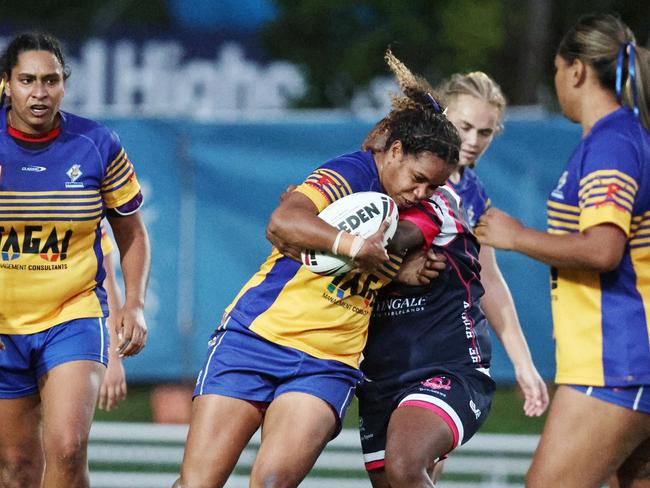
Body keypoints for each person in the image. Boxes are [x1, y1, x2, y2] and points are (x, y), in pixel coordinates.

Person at [174, 50, 461, 488]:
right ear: (396, 150)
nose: (421, 191)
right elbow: (283, 222)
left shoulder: (428, 209)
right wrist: (352, 246)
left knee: (271, 482)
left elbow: (381, 250)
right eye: (418, 177)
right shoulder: (350, 173)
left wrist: (388, 269)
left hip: (327, 360)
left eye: (434, 185)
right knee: (197, 483)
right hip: (255, 337)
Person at [476, 13, 650, 488]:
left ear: (575, 71)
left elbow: (603, 250)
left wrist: (515, 237)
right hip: (625, 358)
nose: (556, 82)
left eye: (555, 70)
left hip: (617, 360)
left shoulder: (612, 142)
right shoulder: (619, 137)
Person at [355, 54, 546, 488]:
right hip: (384, 363)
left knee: (409, 467)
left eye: (486, 132)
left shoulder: (472, 195)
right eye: (464, 128)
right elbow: (354, 246)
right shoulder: (388, 166)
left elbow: (488, 281)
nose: (474, 141)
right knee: (408, 476)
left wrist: (523, 362)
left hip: (445, 357)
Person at [0, 32, 150, 488]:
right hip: (4, 325)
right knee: (16, 469)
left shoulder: (97, 143)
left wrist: (134, 303)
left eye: (51, 80)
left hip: (73, 314)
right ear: (6, 84)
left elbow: (132, 232)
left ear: (65, 84)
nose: (39, 92)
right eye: (27, 80)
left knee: (66, 447)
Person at [97, 226, 128, 412]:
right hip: (10, 330)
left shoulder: (81, 201)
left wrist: (113, 357)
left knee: (65, 439)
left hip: (63, 330)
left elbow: (106, 280)